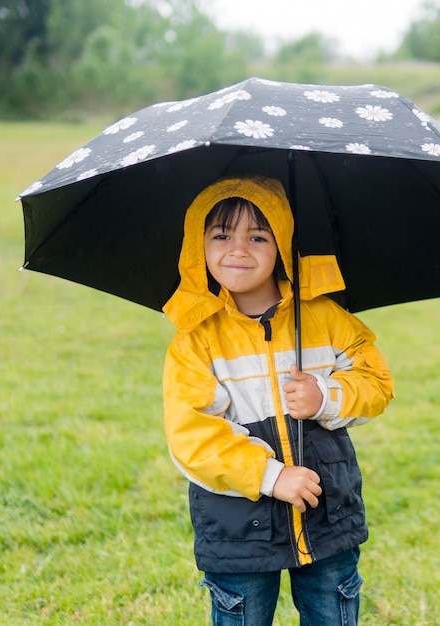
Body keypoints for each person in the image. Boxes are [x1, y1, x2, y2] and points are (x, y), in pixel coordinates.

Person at [162, 175, 394, 625]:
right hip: (238, 526)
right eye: (221, 235)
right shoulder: (196, 342)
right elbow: (191, 434)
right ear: (198, 247)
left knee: (333, 611)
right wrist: (271, 475)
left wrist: (325, 395)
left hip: (326, 512)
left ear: (283, 244)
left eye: (257, 235)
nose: (238, 249)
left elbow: (377, 381)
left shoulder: (324, 318)